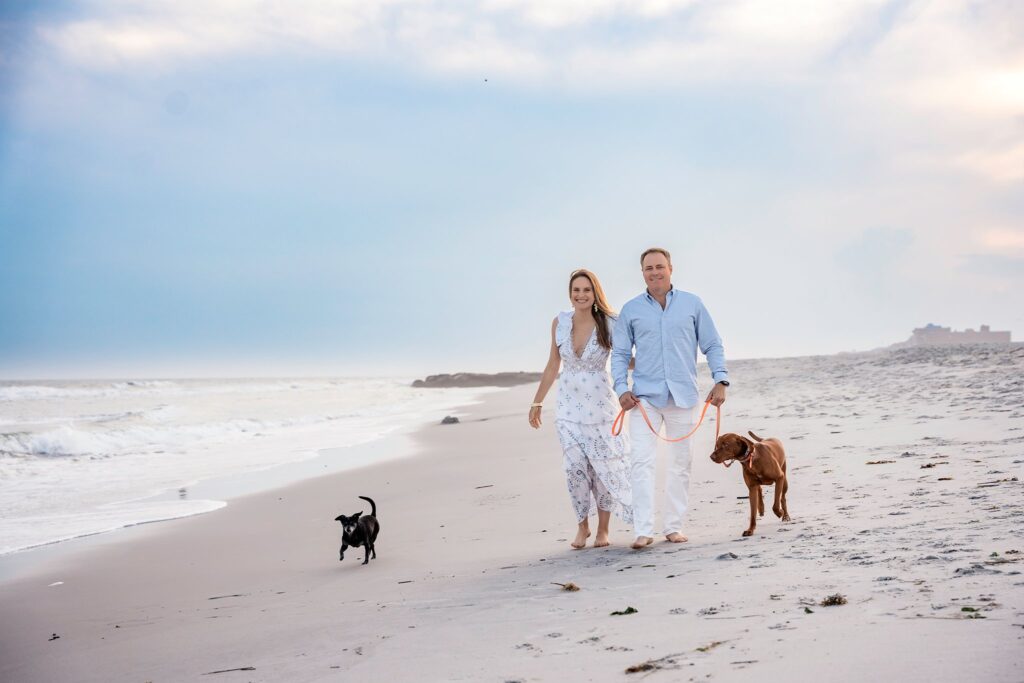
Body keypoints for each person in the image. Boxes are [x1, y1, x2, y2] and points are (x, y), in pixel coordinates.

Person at [611, 247, 729, 550]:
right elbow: (621, 354)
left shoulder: (692, 304)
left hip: (683, 396)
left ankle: (673, 527)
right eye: (648, 268)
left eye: (659, 266)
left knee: (680, 463)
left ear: (670, 269)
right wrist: (621, 389)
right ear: (642, 273)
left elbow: (712, 344)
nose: (655, 272)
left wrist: (721, 380)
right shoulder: (631, 310)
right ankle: (643, 530)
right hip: (644, 399)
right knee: (641, 462)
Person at [529, 269, 633, 549]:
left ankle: (603, 530)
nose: (581, 295)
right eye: (576, 290)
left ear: (595, 292)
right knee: (575, 468)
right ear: (570, 293)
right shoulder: (560, 322)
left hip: (601, 407)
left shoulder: (610, 323)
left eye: (586, 290)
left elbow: (626, 359)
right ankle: (582, 526)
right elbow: (553, 364)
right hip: (568, 408)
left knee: (602, 469)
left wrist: (655, 370)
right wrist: (537, 401)